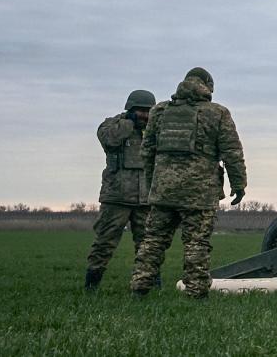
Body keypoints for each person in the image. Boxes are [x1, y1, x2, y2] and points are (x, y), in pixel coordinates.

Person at [129, 67, 247, 298]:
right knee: (196, 243)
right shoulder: (218, 113)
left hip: (164, 191)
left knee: (152, 241)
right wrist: (238, 184)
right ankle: (196, 293)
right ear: (208, 87)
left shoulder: (160, 111)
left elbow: (147, 151)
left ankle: (139, 288)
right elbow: (232, 152)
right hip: (200, 193)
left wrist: (155, 182)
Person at [84, 88, 156, 291]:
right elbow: (110, 139)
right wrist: (129, 122)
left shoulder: (154, 130)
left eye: (148, 111)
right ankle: (92, 285)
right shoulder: (113, 125)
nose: (144, 115)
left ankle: (150, 285)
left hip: (146, 200)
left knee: (148, 246)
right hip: (116, 198)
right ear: (131, 109)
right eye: (140, 111)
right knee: (104, 243)